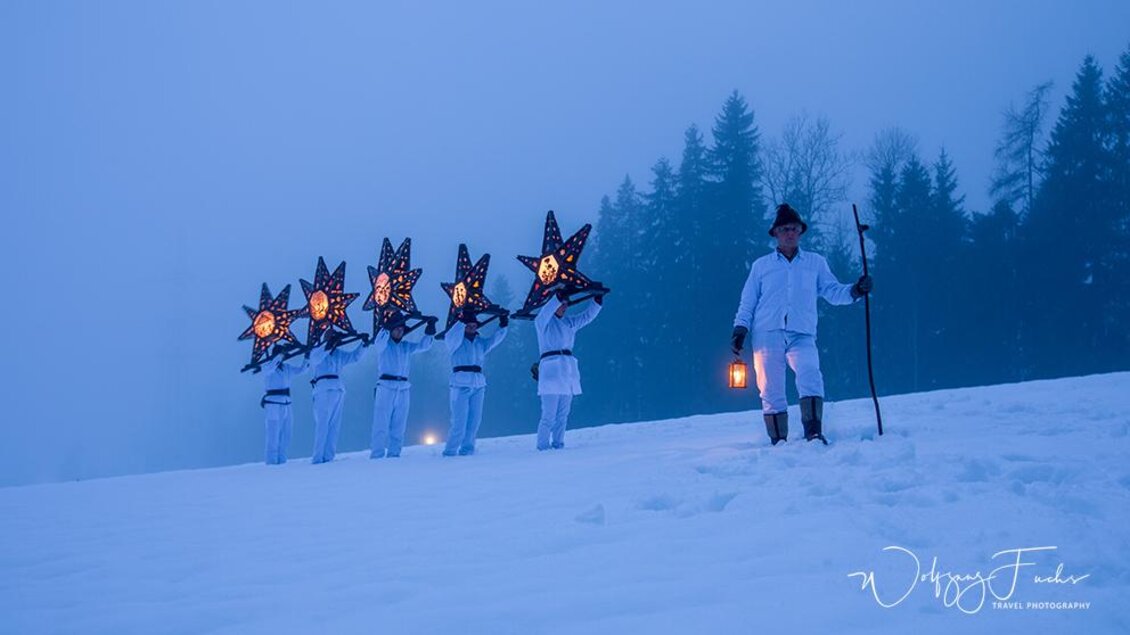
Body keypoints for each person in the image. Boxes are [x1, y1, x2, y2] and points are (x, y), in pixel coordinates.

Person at [731, 203, 872, 445]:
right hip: (767, 335)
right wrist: (740, 328)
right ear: (775, 233)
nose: (790, 233)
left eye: (794, 228)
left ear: (800, 232)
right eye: (785, 229)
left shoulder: (815, 263)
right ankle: (778, 439)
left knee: (810, 374)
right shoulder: (761, 266)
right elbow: (748, 301)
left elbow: (832, 291)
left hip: (802, 333)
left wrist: (856, 290)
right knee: (771, 389)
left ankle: (814, 432)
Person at [534, 291, 603, 451]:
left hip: (567, 371)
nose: (565, 307)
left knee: (563, 414)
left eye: (566, 304)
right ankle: (542, 446)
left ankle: (558, 444)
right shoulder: (543, 323)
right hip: (551, 371)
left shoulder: (569, 322)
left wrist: (596, 303)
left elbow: (586, 317)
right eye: (562, 303)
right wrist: (557, 297)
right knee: (548, 415)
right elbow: (544, 312)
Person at [442, 310, 509, 456]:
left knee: (474, 422)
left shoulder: (480, 343)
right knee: (459, 422)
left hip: (478, 384)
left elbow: (494, 341)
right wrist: (460, 321)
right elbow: (449, 336)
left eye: (474, 326)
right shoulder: (455, 342)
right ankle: (450, 451)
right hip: (460, 384)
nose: (472, 328)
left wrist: (503, 325)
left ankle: (467, 450)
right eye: (469, 325)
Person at [370, 313, 435, 458]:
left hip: (403, 387)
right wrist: (385, 327)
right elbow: (378, 342)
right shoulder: (384, 345)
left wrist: (430, 330)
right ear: (391, 330)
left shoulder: (405, 346)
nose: (399, 331)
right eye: (396, 329)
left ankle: (394, 454)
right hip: (386, 386)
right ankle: (377, 454)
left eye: (401, 329)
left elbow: (423, 346)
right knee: (381, 423)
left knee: (399, 424)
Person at [308, 331, 369, 464]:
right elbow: (315, 359)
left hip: (337, 389)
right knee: (322, 424)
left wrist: (363, 345)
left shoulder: (339, 354)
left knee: (334, 425)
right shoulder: (316, 352)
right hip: (323, 389)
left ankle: (329, 456)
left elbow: (354, 357)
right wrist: (328, 345)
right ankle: (318, 457)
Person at [259, 349, 309, 465]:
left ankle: (282, 461)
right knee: (273, 434)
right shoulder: (267, 365)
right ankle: (271, 462)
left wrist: (307, 357)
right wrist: (279, 356)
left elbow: (302, 370)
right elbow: (269, 369)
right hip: (273, 404)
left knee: (286, 434)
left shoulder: (286, 368)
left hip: (286, 403)